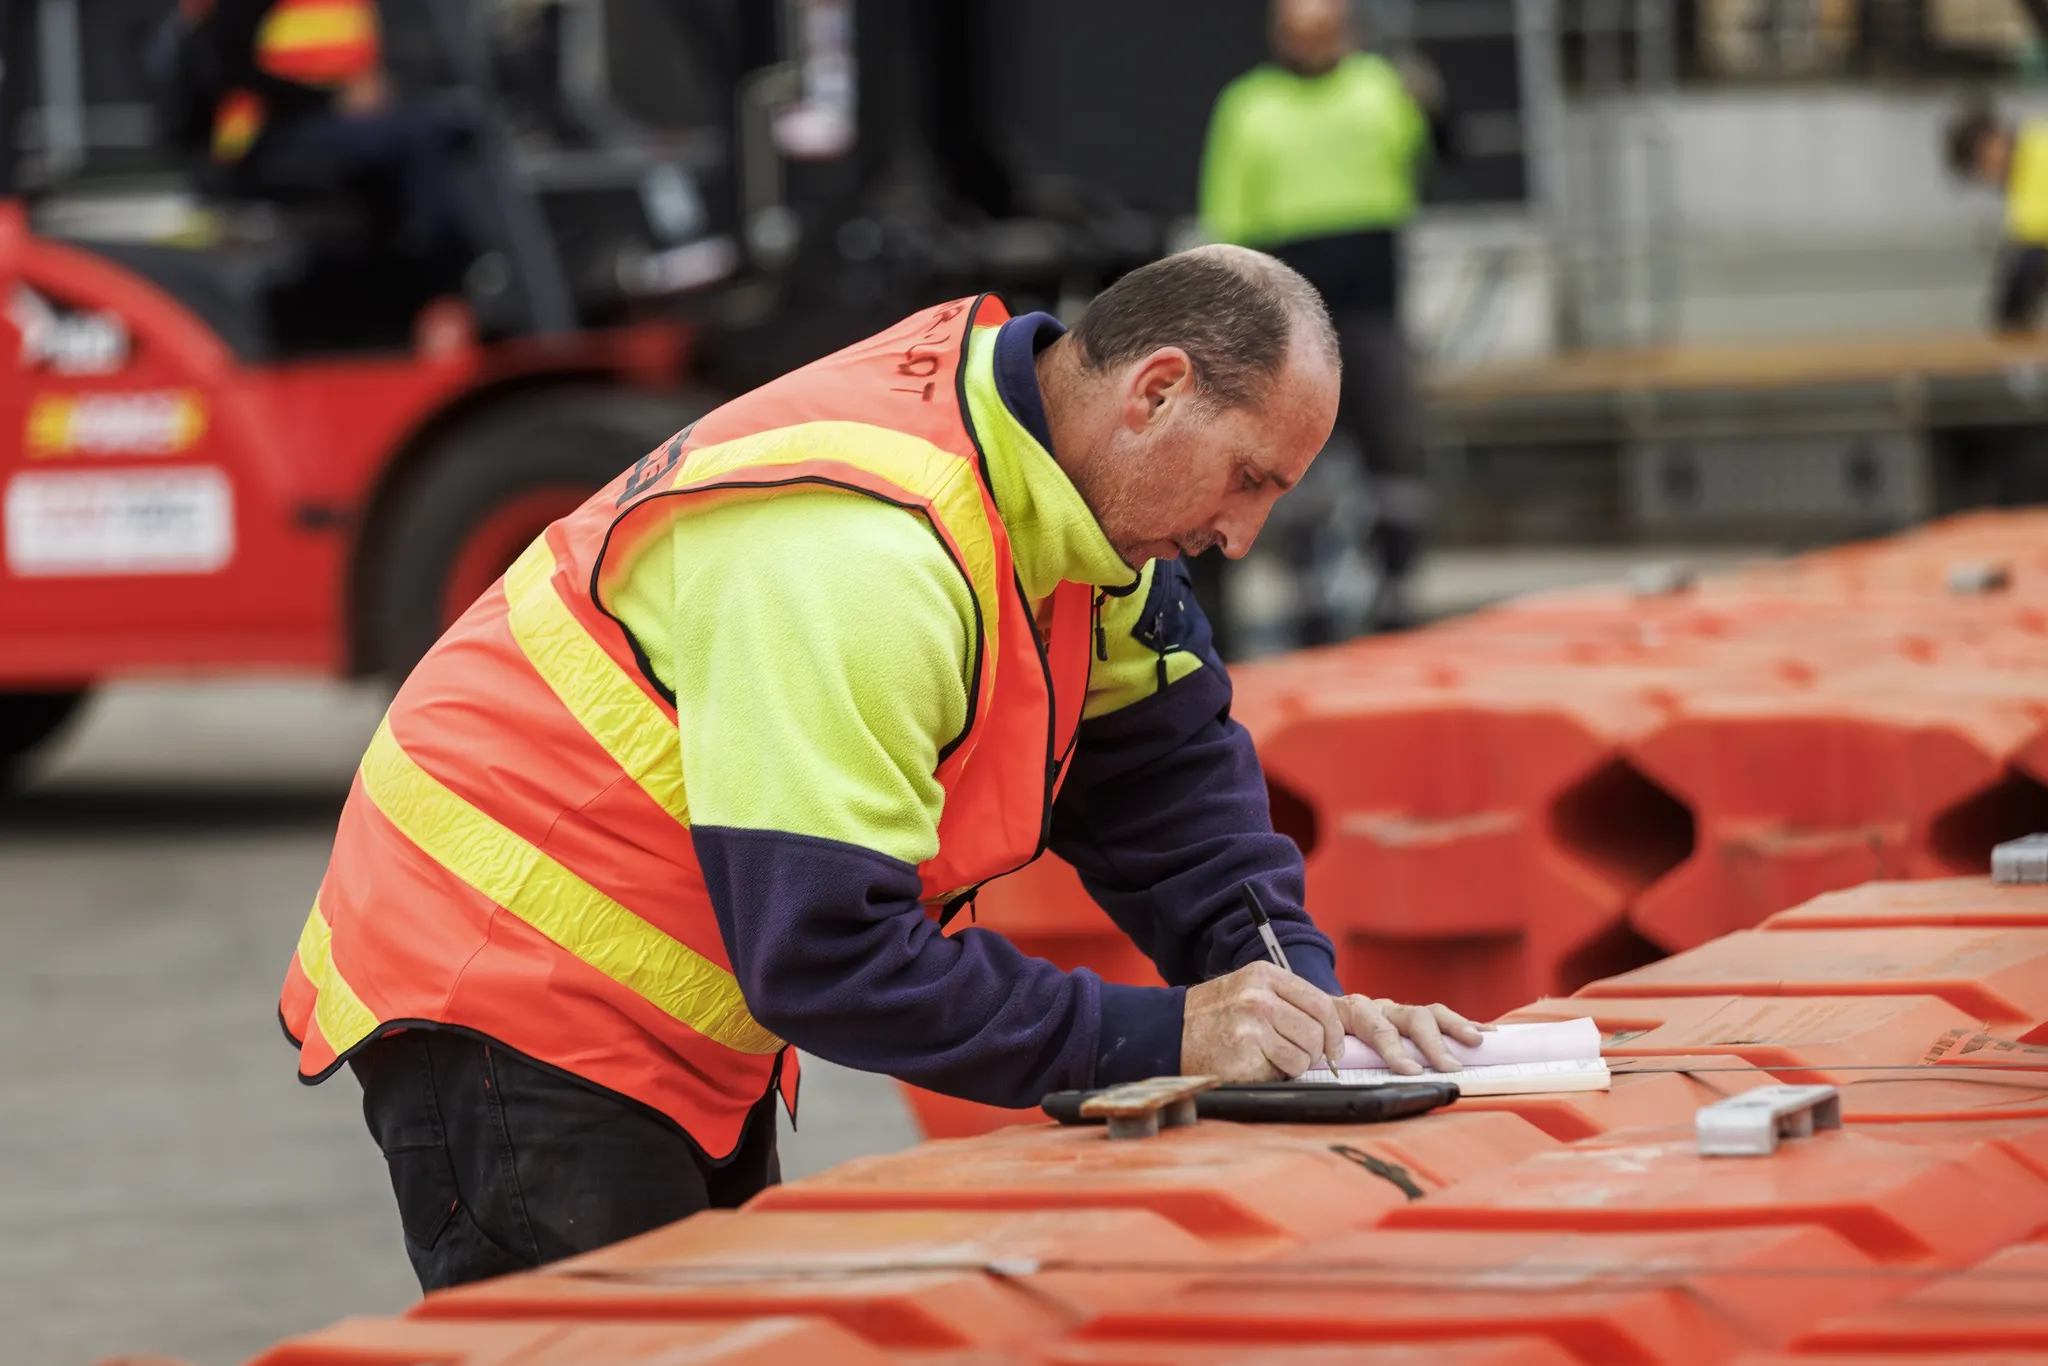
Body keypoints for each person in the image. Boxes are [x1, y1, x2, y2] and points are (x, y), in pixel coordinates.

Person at [277, 246, 1482, 1290]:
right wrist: (1163, 1035)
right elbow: (829, 955)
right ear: (1155, 391)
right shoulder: (861, 553)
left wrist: (1298, 1018)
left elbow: (1168, 777)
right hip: (508, 973)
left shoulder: (1075, 497)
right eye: (1250, 477)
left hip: (676, 990)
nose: (1242, 534)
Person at [1200, 0, 1449, 640]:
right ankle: (1308, 593)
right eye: (1299, 28)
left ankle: (1396, 589)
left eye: (1325, 26)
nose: (1312, 40)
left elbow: (1444, 150)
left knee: (1393, 448)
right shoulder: (1248, 106)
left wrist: (1434, 102)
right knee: (1291, 457)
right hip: (1289, 324)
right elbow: (1226, 217)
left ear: (1347, 29)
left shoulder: (1381, 88)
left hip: (1372, 308)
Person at [199, 0, 473, 296]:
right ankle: (449, 286)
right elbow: (229, 65)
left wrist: (378, 85)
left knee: (452, 126)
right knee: (417, 135)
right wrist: (332, 97)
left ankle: (446, 273)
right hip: (266, 136)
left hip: (339, 122)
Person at [1946, 102, 2048, 331]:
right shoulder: (2023, 175)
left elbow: (2033, 247)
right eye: (1979, 165)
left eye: (1986, 152)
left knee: (2024, 264)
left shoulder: (2039, 148)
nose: (1990, 165)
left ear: (1999, 131)